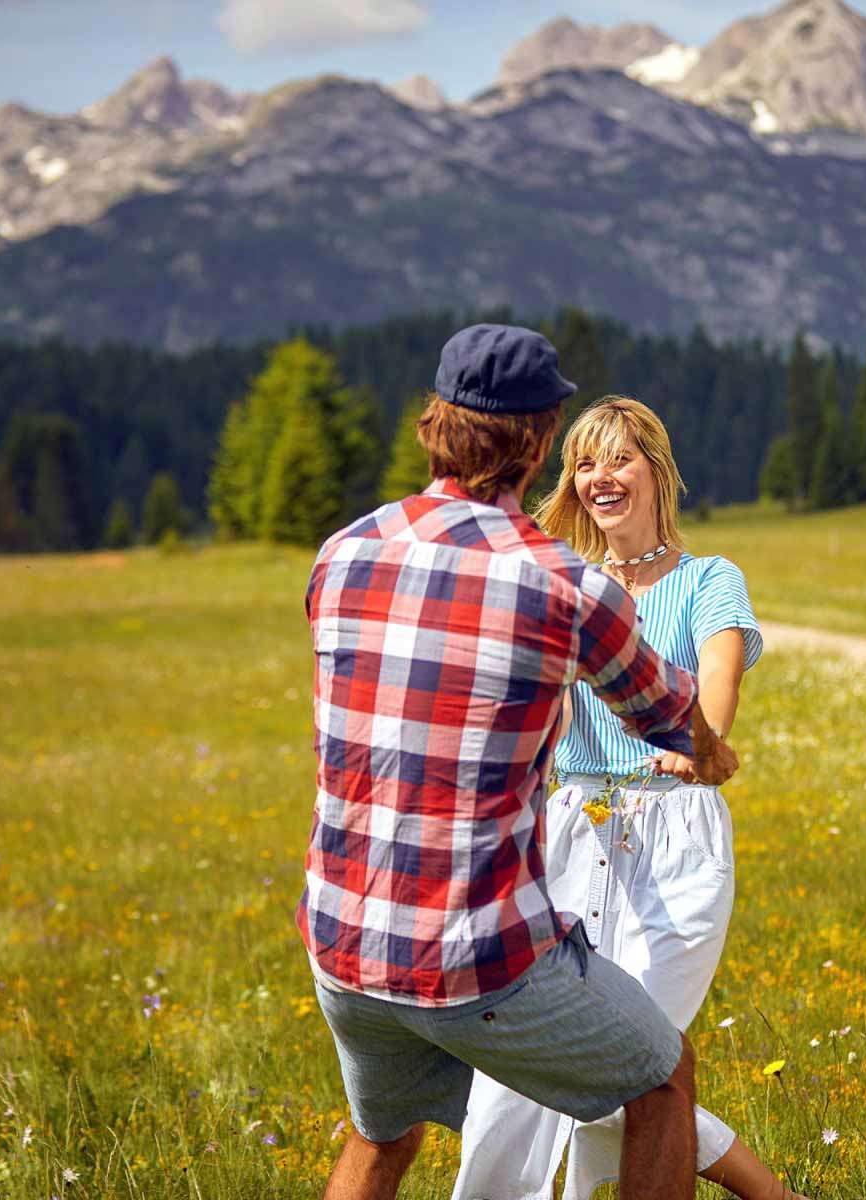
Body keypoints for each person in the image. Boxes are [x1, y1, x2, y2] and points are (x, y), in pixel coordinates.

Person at [297, 327, 741, 1200]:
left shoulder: (342, 553)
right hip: (473, 952)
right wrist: (714, 756)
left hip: (340, 939)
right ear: (543, 443)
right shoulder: (565, 586)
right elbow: (678, 721)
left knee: (381, 1137)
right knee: (663, 1076)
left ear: (434, 423)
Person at [453, 397, 808, 1200]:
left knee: (632, 1063)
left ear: (655, 466)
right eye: (583, 463)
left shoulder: (710, 580)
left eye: (617, 459)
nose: (599, 478)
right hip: (567, 836)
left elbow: (718, 678)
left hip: (675, 837)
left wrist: (700, 743)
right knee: (513, 1083)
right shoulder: (563, 583)